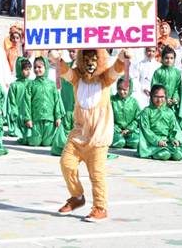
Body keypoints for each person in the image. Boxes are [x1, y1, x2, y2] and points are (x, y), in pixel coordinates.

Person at [52, 48, 131, 223]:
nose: (90, 63)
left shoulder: (105, 80)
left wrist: (121, 57)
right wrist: (56, 58)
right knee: (66, 164)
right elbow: (64, 72)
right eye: (86, 60)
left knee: (97, 173)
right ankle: (77, 196)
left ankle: (100, 207)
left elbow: (116, 70)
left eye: (94, 60)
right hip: (79, 134)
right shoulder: (77, 79)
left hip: (98, 135)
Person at [137, 84, 182, 161]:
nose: (159, 100)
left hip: (167, 142)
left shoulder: (169, 112)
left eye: (162, 97)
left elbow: (174, 129)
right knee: (164, 155)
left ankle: (168, 150)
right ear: (151, 96)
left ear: (165, 97)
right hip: (152, 144)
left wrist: (175, 139)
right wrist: (157, 141)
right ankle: (154, 153)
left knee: (178, 156)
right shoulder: (146, 112)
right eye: (156, 96)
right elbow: (146, 130)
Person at [18, 57, 64, 146]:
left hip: (49, 120)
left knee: (47, 143)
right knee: (34, 143)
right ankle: (26, 137)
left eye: (39, 67)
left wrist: (58, 117)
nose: (36, 69)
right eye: (35, 67)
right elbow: (26, 103)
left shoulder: (52, 85)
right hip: (36, 120)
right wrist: (28, 119)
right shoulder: (30, 85)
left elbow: (57, 101)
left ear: (46, 67)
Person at [151, 47, 182, 124]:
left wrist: (175, 98)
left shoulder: (177, 72)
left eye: (171, 58)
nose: (169, 60)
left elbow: (177, 88)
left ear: (174, 59)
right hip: (160, 103)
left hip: (173, 104)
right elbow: (154, 89)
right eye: (166, 58)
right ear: (162, 58)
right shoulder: (158, 72)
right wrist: (165, 99)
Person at [110, 78, 141, 149]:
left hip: (130, 132)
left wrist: (129, 129)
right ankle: (122, 141)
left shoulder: (134, 102)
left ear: (130, 89)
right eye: (119, 89)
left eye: (124, 89)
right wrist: (117, 129)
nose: (121, 92)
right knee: (119, 142)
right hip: (115, 131)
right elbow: (107, 118)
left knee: (136, 142)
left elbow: (137, 119)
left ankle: (127, 140)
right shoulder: (112, 101)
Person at [5, 57, 32, 137]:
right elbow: (11, 102)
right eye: (26, 69)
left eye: (29, 69)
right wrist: (14, 113)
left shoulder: (32, 83)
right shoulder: (14, 85)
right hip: (18, 116)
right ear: (19, 69)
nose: (28, 72)